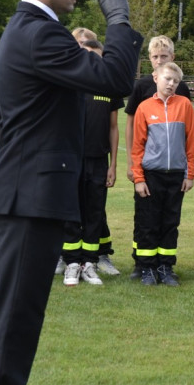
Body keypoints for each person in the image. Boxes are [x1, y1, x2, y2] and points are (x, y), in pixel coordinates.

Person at [0, 0, 140, 385]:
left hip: (34, 195)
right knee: (13, 322)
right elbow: (113, 79)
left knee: (21, 320)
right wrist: (119, 23)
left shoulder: (31, 31)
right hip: (29, 198)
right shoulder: (37, 34)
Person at [123, 35, 192, 279]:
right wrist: (135, 167)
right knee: (145, 219)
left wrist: (189, 171)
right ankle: (141, 265)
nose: (159, 60)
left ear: (172, 57)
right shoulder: (142, 88)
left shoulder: (182, 94)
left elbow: (189, 134)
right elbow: (133, 125)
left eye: (164, 56)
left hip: (174, 169)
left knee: (168, 220)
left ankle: (164, 266)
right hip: (148, 166)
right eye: (155, 57)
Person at [60, 36, 125, 286]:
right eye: (86, 53)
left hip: (98, 161)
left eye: (95, 56)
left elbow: (113, 128)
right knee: (71, 212)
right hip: (71, 160)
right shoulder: (68, 83)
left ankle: (89, 263)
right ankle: (72, 263)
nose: (91, 59)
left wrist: (113, 164)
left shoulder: (108, 86)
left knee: (94, 213)